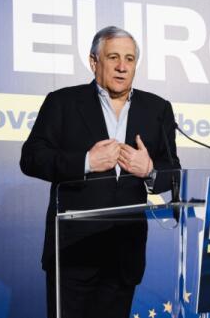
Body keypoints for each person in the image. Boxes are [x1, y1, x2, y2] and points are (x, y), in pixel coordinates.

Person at [20, 26, 180, 318]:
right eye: (113, 57)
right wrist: (86, 162)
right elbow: (31, 158)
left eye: (129, 59)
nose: (122, 67)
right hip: (74, 253)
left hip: (124, 255)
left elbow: (174, 172)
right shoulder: (63, 102)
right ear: (94, 62)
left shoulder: (157, 109)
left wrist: (150, 170)